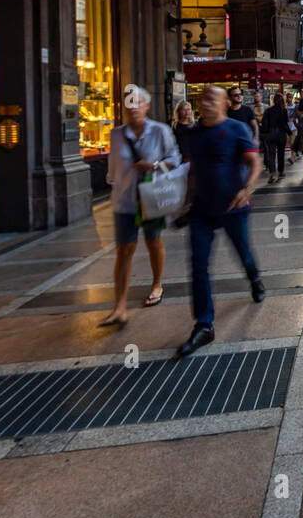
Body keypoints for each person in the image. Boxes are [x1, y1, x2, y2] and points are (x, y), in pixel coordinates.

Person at [176, 86, 265, 358]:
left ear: (226, 104)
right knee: (199, 266)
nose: (206, 103)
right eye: (202, 99)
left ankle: (255, 279)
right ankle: (204, 325)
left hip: (233, 207)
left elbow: (254, 162)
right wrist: (186, 202)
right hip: (202, 210)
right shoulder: (193, 134)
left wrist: (246, 189)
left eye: (212, 98)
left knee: (244, 254)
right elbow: (192, 171)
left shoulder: (237, 129)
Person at [101, 84, 180, 327]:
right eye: (129, 103)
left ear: (146, 106)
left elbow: (174, 160)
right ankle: (119, 306)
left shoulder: (160, 131)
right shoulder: (116, 134)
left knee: (153, 241)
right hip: (124, 199)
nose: (133, 107)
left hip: (151, 196)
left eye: (138, 102)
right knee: (124, 249)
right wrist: (115, 187)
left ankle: (157, 284)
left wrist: (154, 165)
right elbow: (112, 169)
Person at [260, 92, 290, 183]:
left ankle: (272, 173)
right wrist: (289, 132)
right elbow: (285, 124)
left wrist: (264, 133)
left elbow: (264, 124)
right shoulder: (283, 110)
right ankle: (281, 172)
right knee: (281, 154)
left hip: (271, 134)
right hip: (281, 135)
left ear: (273, 101)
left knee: (271, 155)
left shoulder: (268, 110)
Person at [171, 98, 197, 163]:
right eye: (184, 110)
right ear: (179, 111)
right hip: (178, 158)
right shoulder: (174, 125)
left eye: (189, 109)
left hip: (194, 158)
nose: (187, 112)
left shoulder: (196, 125)